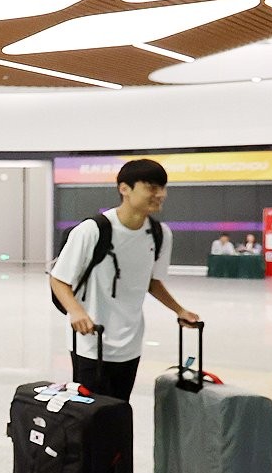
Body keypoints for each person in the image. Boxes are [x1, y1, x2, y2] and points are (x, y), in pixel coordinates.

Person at [50, 158, 200, 404]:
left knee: (118, 411)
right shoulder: (92, 230)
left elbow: (152, 282)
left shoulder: (161, 234)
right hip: (91, 340)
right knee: (90, 416)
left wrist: (179, 310)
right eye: (152, 187)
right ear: (124, 189)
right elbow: (59, 279)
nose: (160, 194)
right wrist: (76, 311)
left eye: (163, 187)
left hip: (130, 342)